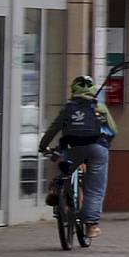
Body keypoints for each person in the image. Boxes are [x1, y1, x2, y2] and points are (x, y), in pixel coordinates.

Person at [39, 75, 117, 237]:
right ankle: (91, 225)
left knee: (65, 166)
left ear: (73, 90)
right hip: (97, 149)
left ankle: (57, 186)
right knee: (95, 188)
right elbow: (114, 130)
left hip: (73, 147)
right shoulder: (98, 107)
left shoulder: (68, 108)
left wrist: (42, 146)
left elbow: (53, 129)